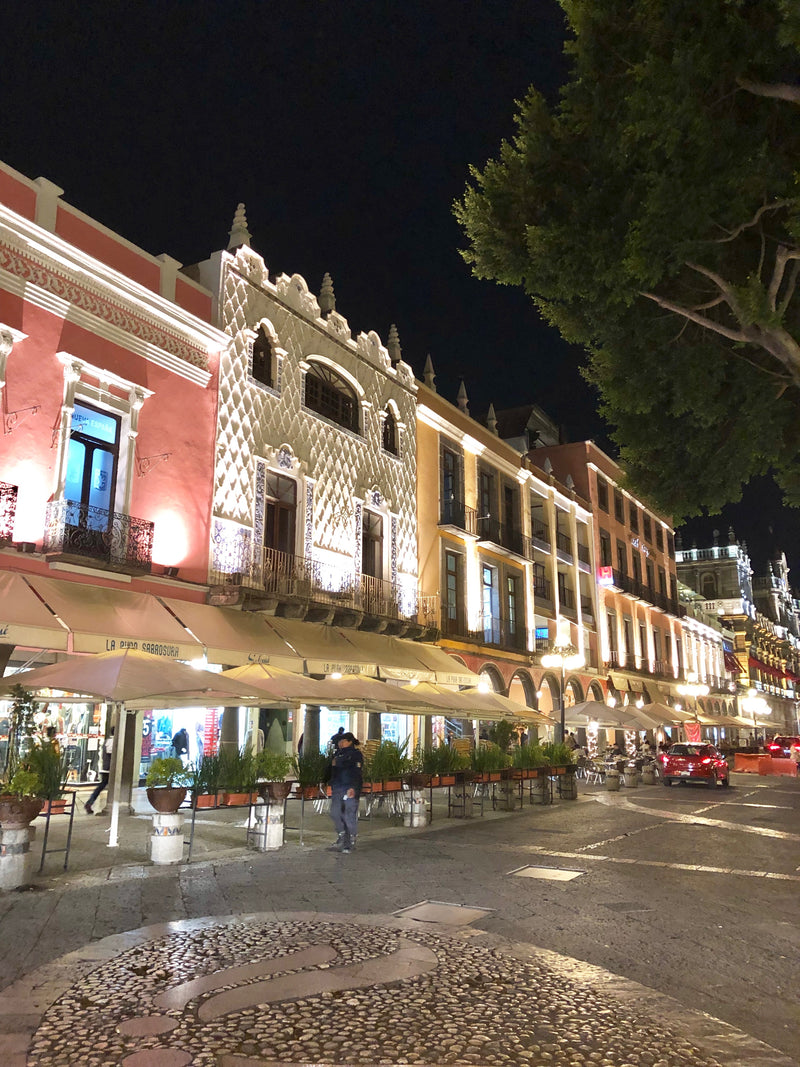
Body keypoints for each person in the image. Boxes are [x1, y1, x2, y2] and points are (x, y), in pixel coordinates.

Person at [327, 731, 363, 853]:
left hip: (349, 789)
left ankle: (350, 840)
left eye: (343, 741)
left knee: (348, 814)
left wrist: (353, 787)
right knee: (335, 812)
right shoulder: (337, 754)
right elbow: (333, 772)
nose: (341, 743)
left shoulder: (355, 755)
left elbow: (356, 773)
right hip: (338, 787)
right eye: (339, 741)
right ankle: (342, 836)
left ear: (350, 742)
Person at [85, 727, 114, 815]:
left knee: (101, 786)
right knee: (105, 786)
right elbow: (111, 754)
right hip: (109, 769)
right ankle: (90, 802)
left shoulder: (107, 741)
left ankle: (90, 802)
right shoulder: (112, 742)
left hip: (105, 767)